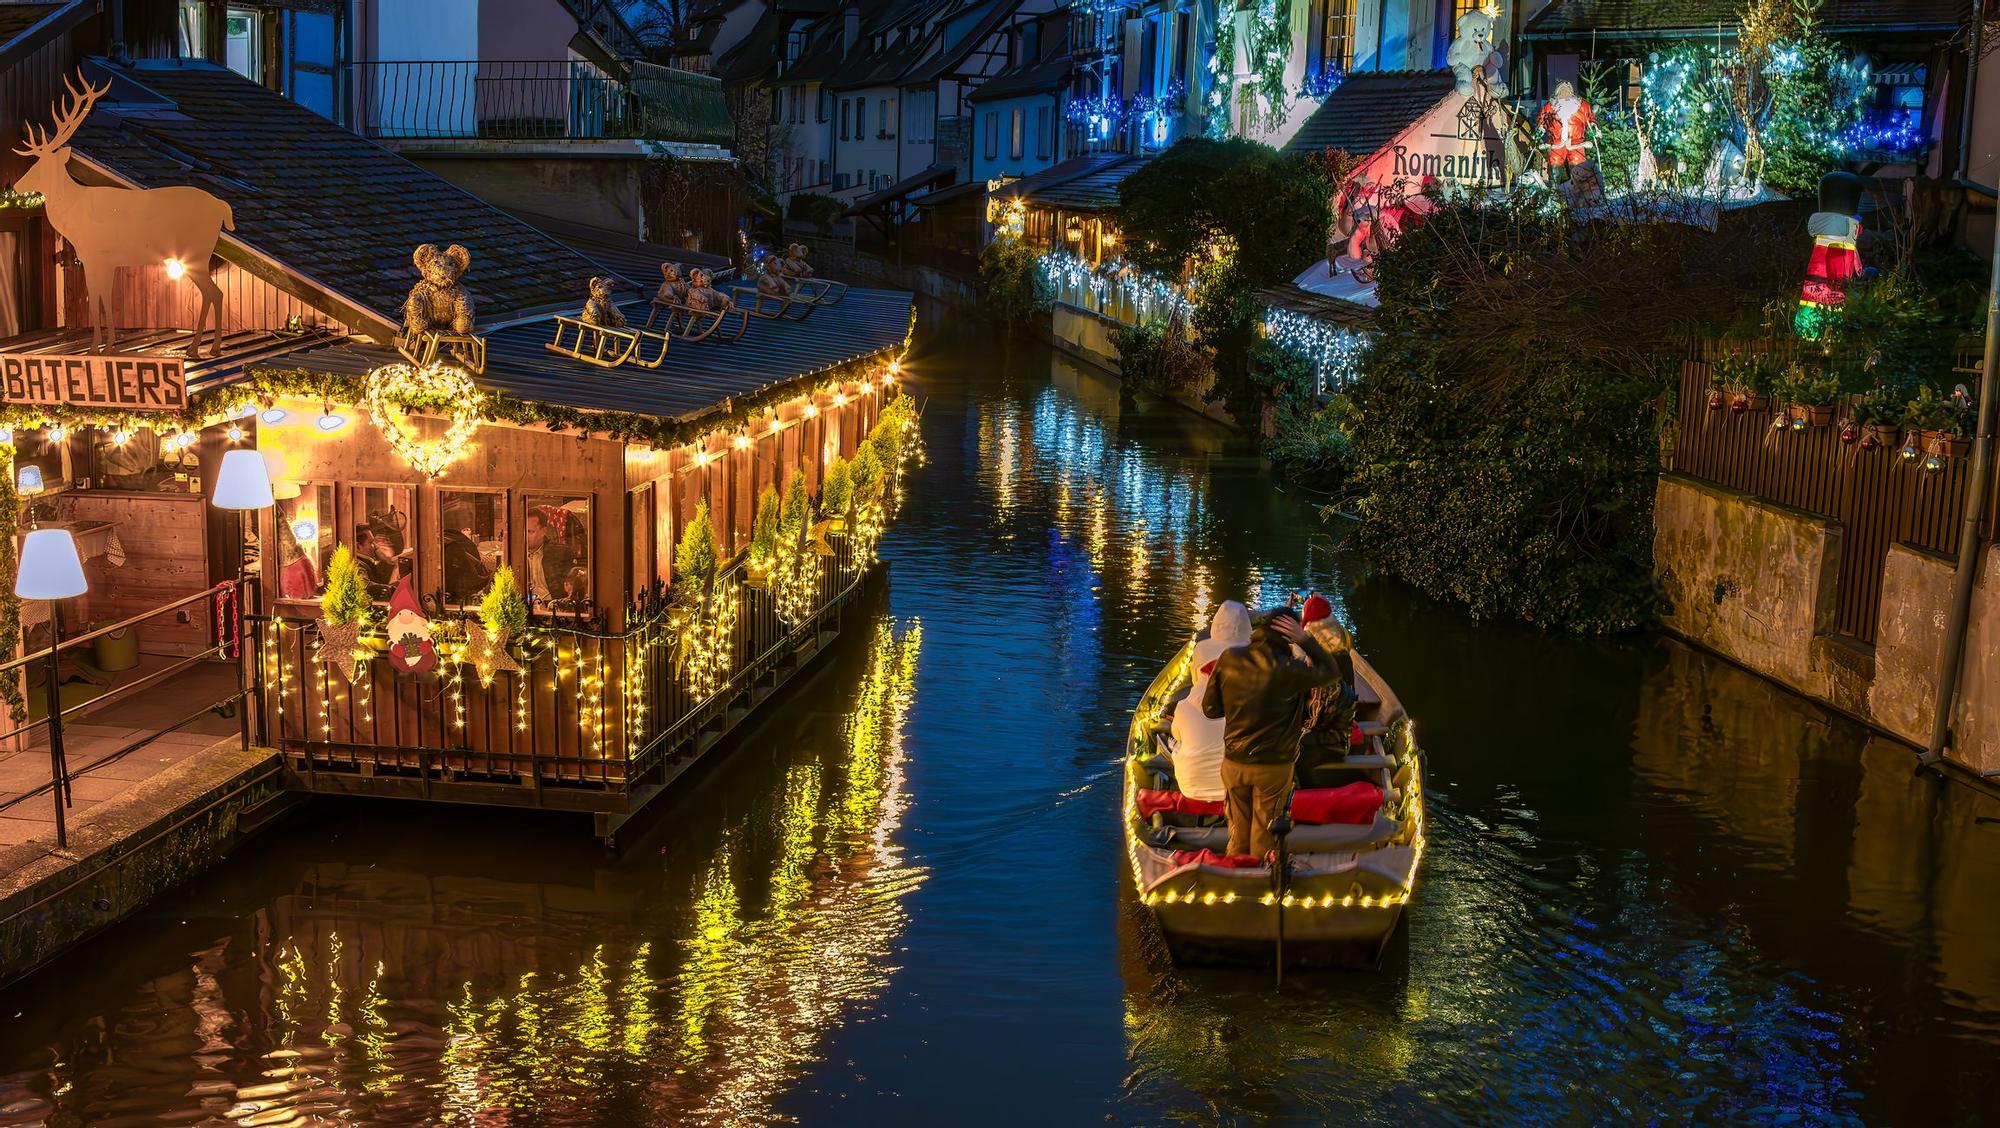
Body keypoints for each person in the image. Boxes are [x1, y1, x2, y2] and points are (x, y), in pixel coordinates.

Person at [1201, 606, 1342, 860]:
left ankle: (1235, 877)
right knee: (1264, 833)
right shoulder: (1292, 669)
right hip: (1273, 766)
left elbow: (1210, 710)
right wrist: (1307, 641)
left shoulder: (1229, 658)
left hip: (1234, 762)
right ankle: (1258, 884)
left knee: (1237, 830)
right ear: (1290, 636)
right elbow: (1332, 672)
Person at [1294, 594, 1358, 786]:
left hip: (1328, 737)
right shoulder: (1343, 644)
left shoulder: (1318, 664)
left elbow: (1313, 711)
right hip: (1339, 730)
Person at [1169, 637, 1230, 802]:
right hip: (1236, 789)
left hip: (1190, 788)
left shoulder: (1183, 706)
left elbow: (1177, 735)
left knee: (1175, 742)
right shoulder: (1244, 705)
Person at [440, 500, 491, 604]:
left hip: (446, 595)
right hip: (462, 596)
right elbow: (477, 578)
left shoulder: (442, 540)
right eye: (467, 515)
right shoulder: (461, 544)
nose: (469, 518)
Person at [524, 509, 575, 605]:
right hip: (522, 608)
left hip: (552, 608)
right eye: (523, 531)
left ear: (543, 532)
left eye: (530, 531)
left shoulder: (560, 554)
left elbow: (569, 589)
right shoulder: (515, 554)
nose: (525, 536)